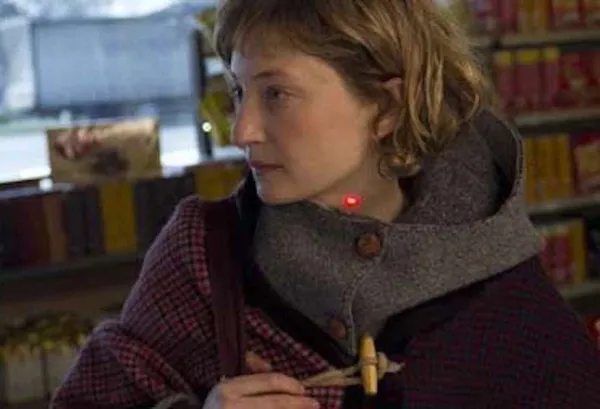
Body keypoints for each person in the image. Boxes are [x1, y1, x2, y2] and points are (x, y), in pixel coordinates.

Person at [52, 0, 600, 408]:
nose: (242, 130)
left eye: (276, 94)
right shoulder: (203, 255)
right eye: (239, 92)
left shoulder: (494, 262)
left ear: (385, 107)